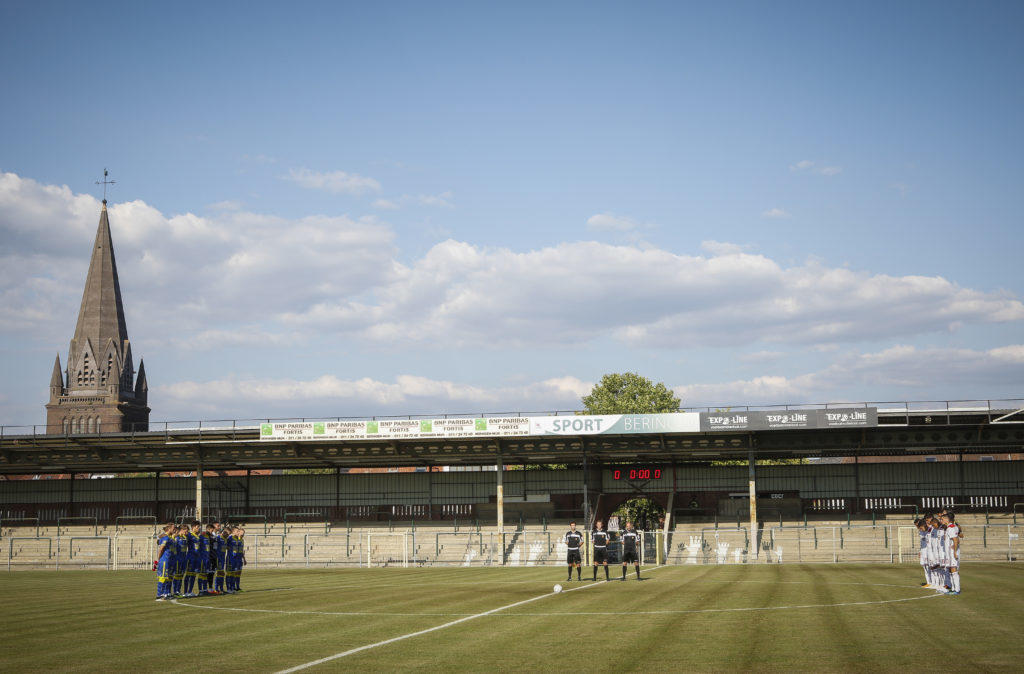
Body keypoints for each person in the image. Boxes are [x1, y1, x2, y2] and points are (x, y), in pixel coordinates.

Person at [940, 512, 962, 595]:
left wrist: (955, 552)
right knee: (950, 570)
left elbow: (956, 540)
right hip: (949, 553)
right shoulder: (949, 527)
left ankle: (957, 589)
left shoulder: (951, 528)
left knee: (953, 570)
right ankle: (953, 588)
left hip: (952, 553)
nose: (941, 521)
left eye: (942, 519)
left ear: (946, 519)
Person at [154, 523, 175, 601]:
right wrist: (159, 559)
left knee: (167, 578)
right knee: (162, 578)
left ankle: (165, 594)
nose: (174, 529)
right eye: (173, 528)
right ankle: (159, 595)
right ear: (169, 529)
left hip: (169, 560)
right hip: (164, 560)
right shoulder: (166, 538)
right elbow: (161, 548)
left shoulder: (168, 537)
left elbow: (159, 540)